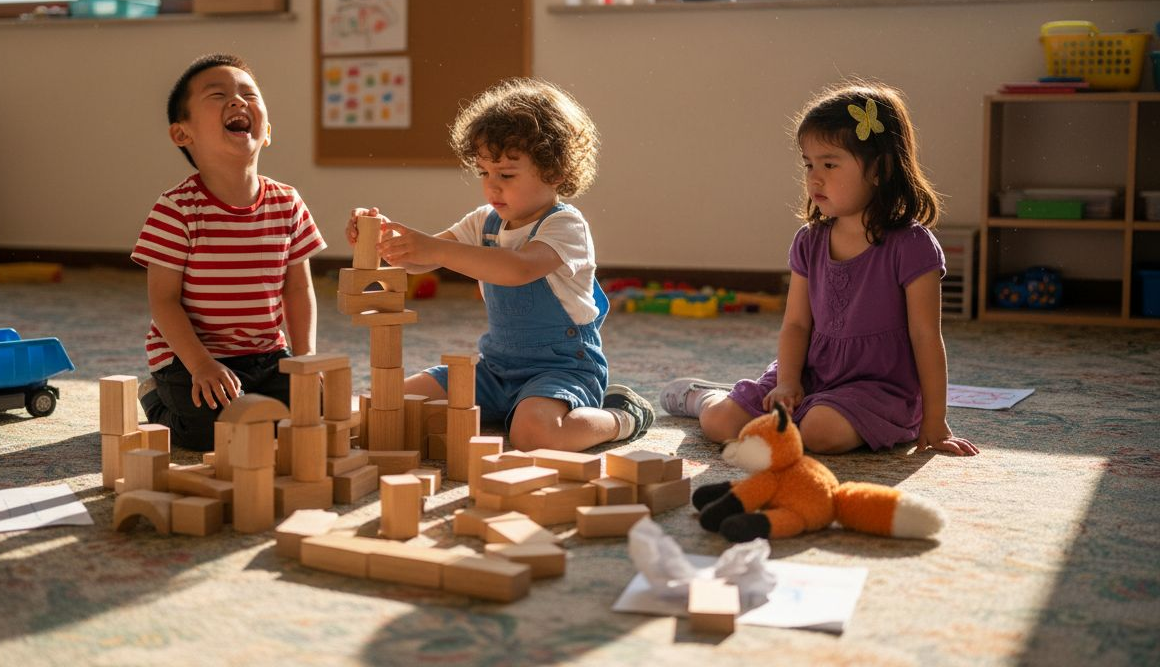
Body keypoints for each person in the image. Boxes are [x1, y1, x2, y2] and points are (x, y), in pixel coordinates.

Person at [661, 81, 978, 456]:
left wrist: (935, 421)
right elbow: (796, 324)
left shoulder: (912, 246)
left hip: (878, 386)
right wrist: (789, 383)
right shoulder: (809, 240)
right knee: (720, 423)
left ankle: (811, 418)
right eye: (809, 164)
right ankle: (704, 397)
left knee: (820, 433)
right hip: (811, 372)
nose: (814, 177)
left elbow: (926, 336)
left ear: (879, 168)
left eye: (829, 164)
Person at [347, 77, 652, 453]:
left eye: (506, 175)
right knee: (388, 404)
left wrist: (435, 251)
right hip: (494, 370)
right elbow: (419, 261)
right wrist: (383, 239)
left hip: (561, 368)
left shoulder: (565, 225)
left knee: (534, 436)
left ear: (554, 172)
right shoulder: (484, 221)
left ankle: (623, 417)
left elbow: (518, 268)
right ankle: (510, 407)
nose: (492, 188)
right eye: (484, 173)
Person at [130, 54, 325, 450]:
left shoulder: (287, 202)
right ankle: (154, 397)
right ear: (183, 134)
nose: (238, 102)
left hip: (266, 355)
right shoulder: (176, 209)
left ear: (266, 131)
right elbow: (163, 301)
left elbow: (298, 290)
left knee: (309, 413)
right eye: (218, 96)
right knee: (211, 433)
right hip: (191, 356)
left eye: (248, 94)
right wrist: (201, 364)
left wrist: (304, 356)